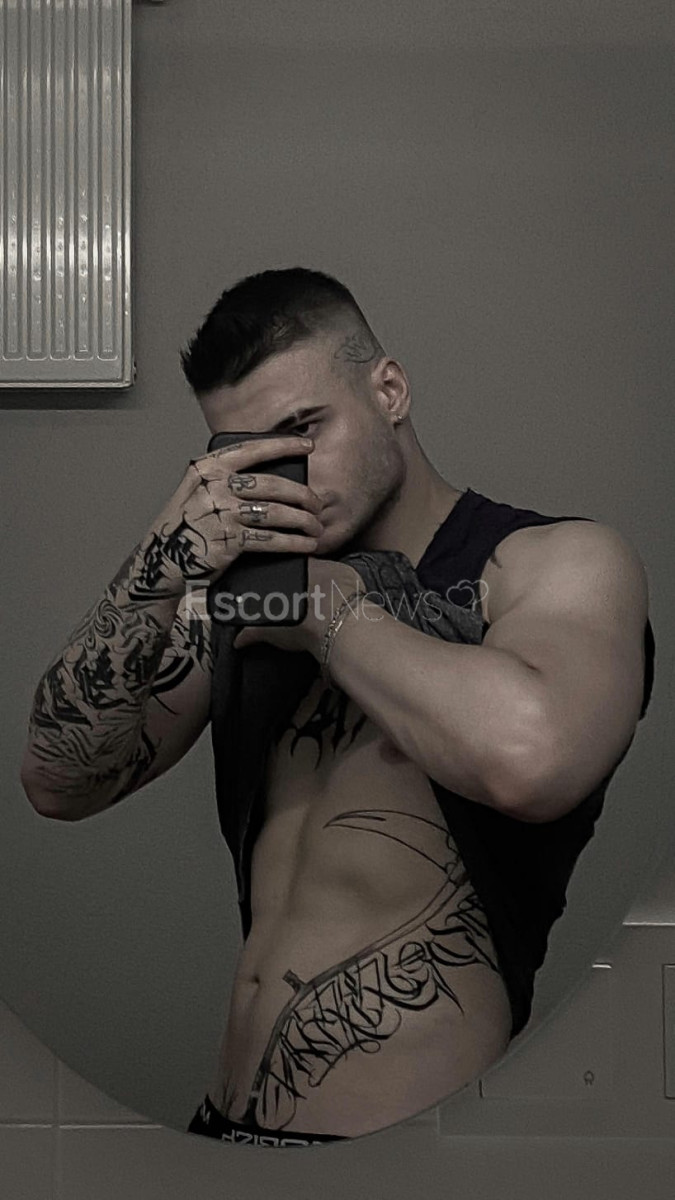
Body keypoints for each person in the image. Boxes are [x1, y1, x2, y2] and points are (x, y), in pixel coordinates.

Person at [20, 267, 653, 1148]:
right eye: (247, 453)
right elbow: (60, 781)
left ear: (388, 391)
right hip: (223, 1131)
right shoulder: (245, 592)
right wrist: (161, 562)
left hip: (409, 1152)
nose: (289, 475)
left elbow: (530, 759)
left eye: (304, 428)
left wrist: (325, 611)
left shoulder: (549, 563)